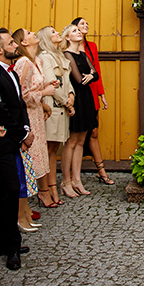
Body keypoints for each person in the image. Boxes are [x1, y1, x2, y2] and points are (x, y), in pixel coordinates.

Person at [0, 28, 34, 270]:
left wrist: (26, 128)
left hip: (14, 137)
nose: (16, 45)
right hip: (1, 141)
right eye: (11, 42)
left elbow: (19, 105)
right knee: (11, 188)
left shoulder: (11, 72)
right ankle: (12, 246)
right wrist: (22, 133)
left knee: (4, 189)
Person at [13, 29, 58, 214]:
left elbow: (34, 87)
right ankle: (24, 201)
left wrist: (45, 96)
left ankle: (42, 192)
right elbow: (19, 94)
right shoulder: (23, 63)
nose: (33, 33)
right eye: (29, 33)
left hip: (37, 113)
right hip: (27, 115)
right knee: (30, 154)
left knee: (40, 153)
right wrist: (44, 93)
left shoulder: (37, 61)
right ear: (24, 42)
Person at [71, 17, 113, 185]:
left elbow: (97, 71)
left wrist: (102, 94)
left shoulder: (92, 47)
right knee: (75, 136)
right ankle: (73, 175)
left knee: (94, 132)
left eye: (87, 23)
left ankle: (100, 170)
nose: (86, 25)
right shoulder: (68, 48)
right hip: (77, 93)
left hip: (92, 91)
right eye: (82, 23)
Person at [37, 26, 75, 205]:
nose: (57, 33)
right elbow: (51, 82)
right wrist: (66, 101)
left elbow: (67, 81)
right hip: (52, 108)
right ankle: (45, 188)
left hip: (62, 107)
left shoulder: (60, 55)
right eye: (52, 32)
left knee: (54, 150)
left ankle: (52, 187)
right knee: (47, 149)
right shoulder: (45, 57)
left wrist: (71, 96)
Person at [60, 23, 99, 197]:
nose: (78, 32)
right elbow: (77, 78)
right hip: (76, 97)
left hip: (87, 97)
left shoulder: (82, 54)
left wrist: (90, 75)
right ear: (68, 38)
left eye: (78, 30)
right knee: (72, 140)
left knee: (82, 140)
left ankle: (77, 179)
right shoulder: (67, 54)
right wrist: (89, 76)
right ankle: (66, 181)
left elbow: (95, 74)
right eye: (74, 31)